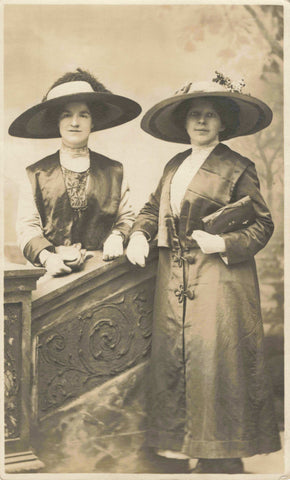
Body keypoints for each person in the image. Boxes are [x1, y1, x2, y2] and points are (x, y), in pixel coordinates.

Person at [126, 74, 281, 474]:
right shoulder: (174, 164)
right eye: (195, 114)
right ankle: (177, 450)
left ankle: (223, 455)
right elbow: (150, 207)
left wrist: (225, 244)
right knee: (176, 361)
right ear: (184, 122)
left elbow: (263, 225)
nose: (201, 122)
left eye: (210, 115)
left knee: (216, 361)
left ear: (223, 123)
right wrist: (139, 235)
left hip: (220, 279)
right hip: (174, 280)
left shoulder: (237, 166)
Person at [11, 68, 141, 276]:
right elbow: (27, 228)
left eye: (83, 115)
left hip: (103, 274)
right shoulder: (35, 173)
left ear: (93, 121)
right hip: (50, 274)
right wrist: (48, 257)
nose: (74, 122)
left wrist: (118, 236)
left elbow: (126, 218)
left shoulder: (114, 171)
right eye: (66, 115)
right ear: (57, 122)